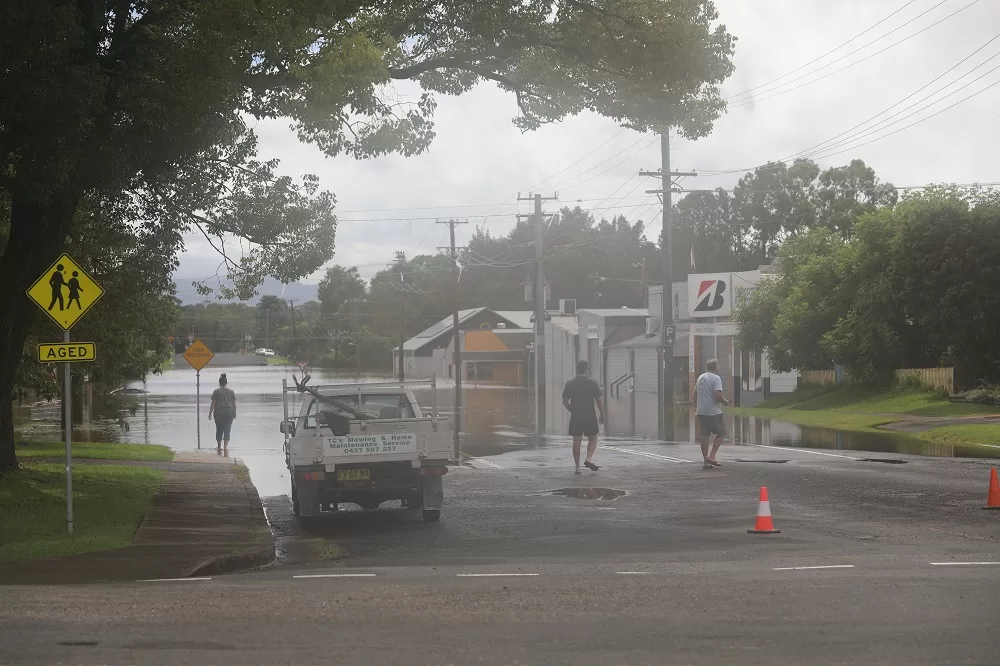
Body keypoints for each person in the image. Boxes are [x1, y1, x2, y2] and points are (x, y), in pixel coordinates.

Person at [562, 360, 606, 475]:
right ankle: (588, 459)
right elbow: (599, 400)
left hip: (576, 416)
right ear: (586, 370)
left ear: (576, 369)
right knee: (593, 438)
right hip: (589, 415)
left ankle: (577, 468)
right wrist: (602, 414)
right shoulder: (592, 382)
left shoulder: (570, 383)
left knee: (576, 441)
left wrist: (572, 410)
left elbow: (565, 401)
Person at [695, 359, 730, 469]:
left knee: (704, 436)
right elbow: (718, 396)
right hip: (713, 412)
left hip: (701, 411)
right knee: (722, 433)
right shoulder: (716, 378)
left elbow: (694, 395)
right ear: (716, 367)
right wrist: (725, 402)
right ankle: (712, 455)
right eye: (718, 366)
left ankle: (706, 460)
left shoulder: (700, 377)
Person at [208, 373, 237, 454]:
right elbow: (234, 404)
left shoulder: (216, 391)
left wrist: (210, 413)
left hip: (219, 412)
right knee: (227, 429)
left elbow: (213, 403)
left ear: (219, 383)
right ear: (226, 383)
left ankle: (219, 447)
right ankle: (225, 448)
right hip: (229, 412)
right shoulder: (231, 391)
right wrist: (235, 413)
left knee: (219, 429)